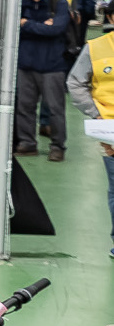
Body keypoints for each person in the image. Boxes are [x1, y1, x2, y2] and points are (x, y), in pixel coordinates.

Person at [64, 13, 114, 260]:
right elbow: (75, 83)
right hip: (111, 129)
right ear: (111, 18)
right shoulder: (95, 48)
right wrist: (97, 115)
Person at [15, 0, 73, 160]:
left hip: (52, 65)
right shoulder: (21, 1)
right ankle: (27, 143)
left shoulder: (58, 3)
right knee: (24, 106)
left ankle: (58, 146)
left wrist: (27, 24)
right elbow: (13, 27)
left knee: (55, 108)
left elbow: (55, 29)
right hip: (25, 63)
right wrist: (41, 26)